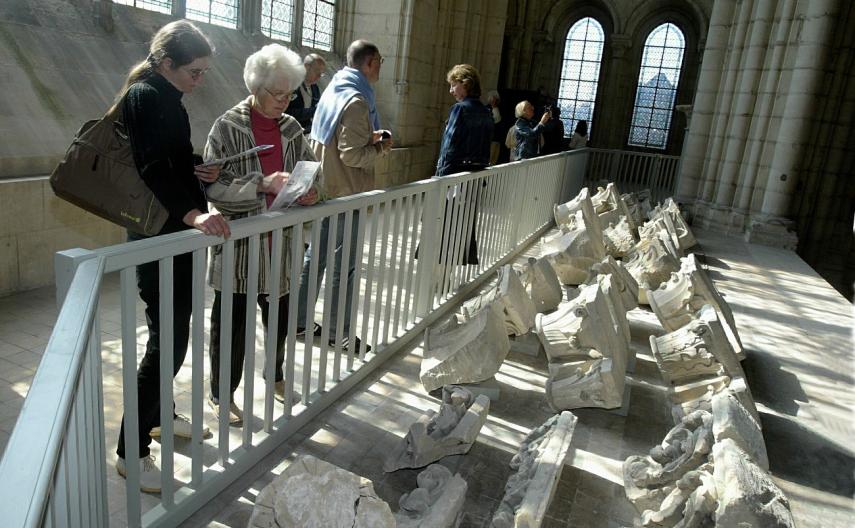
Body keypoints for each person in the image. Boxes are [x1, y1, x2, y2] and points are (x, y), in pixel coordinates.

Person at [113, 20, 229, 494]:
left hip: (173, 233)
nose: (199, 80)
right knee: (166, 343)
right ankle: (130, 450)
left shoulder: (166, 95)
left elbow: (171, 161)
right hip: (157, 237)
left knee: (174, 335)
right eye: (195, 72)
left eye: (204, 72)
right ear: (167, 64)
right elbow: (152, 167)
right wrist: (192, 213)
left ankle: (159, 416)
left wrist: (199, 168)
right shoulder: (146, 95)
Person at [204, 44, 320, 425]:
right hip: (239, 249)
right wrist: (261, 184)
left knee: (280, 322)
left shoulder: (291, 128)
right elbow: (212, 189)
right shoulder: (227, 127)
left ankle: (277, 375)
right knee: (231, 330)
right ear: (256, 86)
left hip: (281, 247)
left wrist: (310, 191)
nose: (284, 102)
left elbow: (308, 171)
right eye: (277, 93)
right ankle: (222, 395)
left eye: (290, 94)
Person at [297, 39, 391, 353]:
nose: (380, 67)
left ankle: (298, 323)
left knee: (316, 259)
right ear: (371, 62)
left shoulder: (335, 89)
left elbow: (336, 140)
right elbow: (352, 155)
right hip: (346, 193)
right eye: (380, 61)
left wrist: (369, 137)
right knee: (344, 267)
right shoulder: (357, 100)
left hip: (327, 189)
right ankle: (340, 334)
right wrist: (380, 146)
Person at [285, 53, 326, 133]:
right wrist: (314, 111)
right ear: (306, 67)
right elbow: (286, 112)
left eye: (321, 74)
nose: (319, 76)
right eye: (317, 72)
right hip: (288, 130)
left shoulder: (315, 88)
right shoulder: (292, 84)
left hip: (307, 131)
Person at [485, 90, 502, 165]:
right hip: (489, 139)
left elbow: (499, 120)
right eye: (492, 98)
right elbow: (495, 120)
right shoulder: (486, 108)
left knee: (494, 161)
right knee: (489, 160)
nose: (493, 100)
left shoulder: (500, 108)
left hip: (497, 138)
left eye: (495, 98)